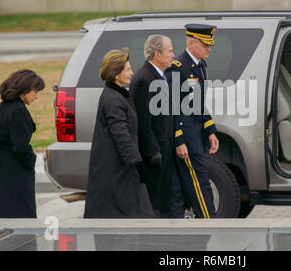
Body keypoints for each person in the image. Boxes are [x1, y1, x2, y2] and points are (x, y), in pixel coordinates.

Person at [84, 48, 155, 218]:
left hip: (120, 170)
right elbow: (121, 135)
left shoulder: (117, 95)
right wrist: (138, 164)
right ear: (116, 74)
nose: (132, 73)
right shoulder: (113, 99)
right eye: (128, 69)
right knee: (132, 218)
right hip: (117, 172)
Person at [165, 24, 220, 219]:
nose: (209, 48)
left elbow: (197, 102)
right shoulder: (178, 67)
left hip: (196, 131)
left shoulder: (200, 65)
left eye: (209, 45)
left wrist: (210, 129)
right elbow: (171, 108)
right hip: (186, 135)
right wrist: (179, 140)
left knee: (187, 184)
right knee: (199, 181)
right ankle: (209, 221)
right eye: (205, 44)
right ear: (191, 42)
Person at [130, 35, 181, 217]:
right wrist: (152, 151)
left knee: (163, 198)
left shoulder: (158, 76)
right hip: (153, 155)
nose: (173, 55)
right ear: (157, 54)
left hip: (164, 149)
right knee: (152, 200)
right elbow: (142, 121)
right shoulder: (145, 79)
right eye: (169, 51)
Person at [0, 69, 44, 218]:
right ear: (25, 90)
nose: (36, 96)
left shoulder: (4, 106)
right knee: (20, 214)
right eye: (35, 91)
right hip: (16, 170)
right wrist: (31, 159)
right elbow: (20, 146)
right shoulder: (17, 110)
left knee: (5, 212)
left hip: (3, 165)